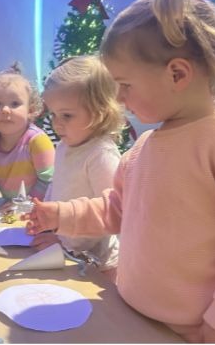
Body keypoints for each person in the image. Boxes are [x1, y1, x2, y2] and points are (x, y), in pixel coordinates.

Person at [24, 0, 215, 343]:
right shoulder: (143, 147)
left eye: (124, 85)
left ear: (177, 74)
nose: (117, 97)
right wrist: (61, 214)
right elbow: (116, 208)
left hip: (198, 333)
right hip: (131, 315)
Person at [31, 55, 123, 277]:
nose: (56, 123)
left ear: (100, 112)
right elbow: (58, 184)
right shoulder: (64, 146)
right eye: (53, 114)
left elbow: (114, 213)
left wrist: (62, 234)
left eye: (67, 115)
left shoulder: (100, 154)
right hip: (67, 252)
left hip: (99, 264)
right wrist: (48, 218)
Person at [0, 63, 54, 220]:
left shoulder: (37, 140)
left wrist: (25, 204)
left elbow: (50, 181)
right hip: (13, 211)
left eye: (15, 104)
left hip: (42, 211)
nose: (5, 110)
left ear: (31, 110)